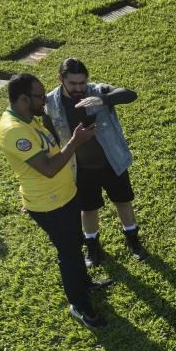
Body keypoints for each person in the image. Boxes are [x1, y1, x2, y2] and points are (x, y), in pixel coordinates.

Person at [0, 73, 112, 328]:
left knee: (75, 244)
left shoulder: (27, 118)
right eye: (40, 97)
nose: (44, 102)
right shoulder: (14, 131)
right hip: (51, 206)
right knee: (69, 255)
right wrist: (76, 141)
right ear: (24, 99)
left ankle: (85, 285)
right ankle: (79, 306)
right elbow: (47, 168)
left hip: (63, 197)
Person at [44, 57, 146, 268]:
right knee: (88, 209)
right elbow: (51, 136)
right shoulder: (51, 102)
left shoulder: (98, 90)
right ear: (60, 79)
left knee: (123, 202)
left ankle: (133, 241)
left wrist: (103, 100)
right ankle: (92, 247)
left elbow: (130, 95)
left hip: (112, 162)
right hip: (79, 168)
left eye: (82, 82)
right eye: (73, 83)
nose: (79, 88)